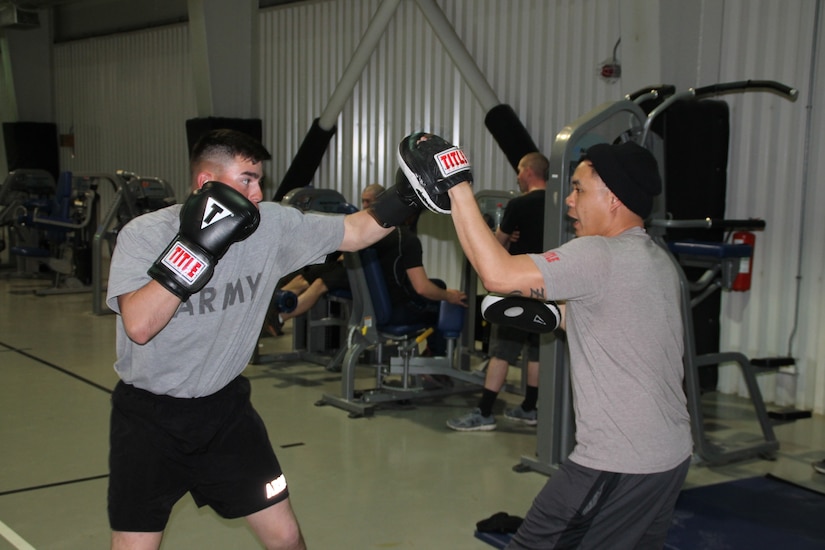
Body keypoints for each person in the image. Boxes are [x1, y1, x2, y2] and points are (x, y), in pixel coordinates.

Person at [105, 128, 421, 550]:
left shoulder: (271, 225)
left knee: (286, 537)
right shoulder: (144, 235)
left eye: (260, 181)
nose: (257, 194)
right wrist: (197, 248)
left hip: (226, 414)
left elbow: (357, 231)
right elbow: (140, 326)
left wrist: (410, 192)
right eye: (247, 180)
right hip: (149, 422)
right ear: (206, 184)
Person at [398, 133, 692, 549]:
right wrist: (555, 315)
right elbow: (614, 325)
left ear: (613, 199)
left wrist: (457, 187)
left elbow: (497, 275)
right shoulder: (658, 261)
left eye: (578, 189)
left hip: (617, 461)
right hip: (672, 455)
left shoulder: (597, 254)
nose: (569, 200)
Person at [447, 152, 549, 431]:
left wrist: (502, 235)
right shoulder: (559, 204)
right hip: (548, 287)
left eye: (519, 170)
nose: (517, 176)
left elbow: (495, 247)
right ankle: (529, 408)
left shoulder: (519, 205)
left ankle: (485, 412)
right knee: (538, 350)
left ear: (529, 171)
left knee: (503, 352)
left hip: (518, 287)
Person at [263, 183, 385, 336]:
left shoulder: (382, 225)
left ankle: (278, 319)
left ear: (380, 201)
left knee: (319, 284)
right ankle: (265, 310)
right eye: (364, 201)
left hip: (364, 271)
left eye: (369, 201)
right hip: (346, 264)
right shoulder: (362, 219)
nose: (365, 205)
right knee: (303, 277)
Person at [371, 170, 467, 357]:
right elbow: (422, 288)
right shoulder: (407, 239)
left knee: (438, 284)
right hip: (396, 311)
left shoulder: (374, 237)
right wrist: (449, 297)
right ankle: (436, 362)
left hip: (376, 307)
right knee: (447, 305)